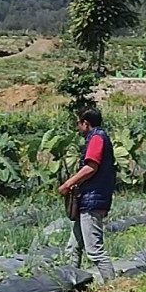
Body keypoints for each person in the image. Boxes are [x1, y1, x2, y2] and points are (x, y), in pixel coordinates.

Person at [57, 108, 116, 281]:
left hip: (92, 199)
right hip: (88, 199)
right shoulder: (96, 137)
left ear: (85, 123)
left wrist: (68, 184)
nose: (77, 127)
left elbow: (91, 167)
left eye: (78, 123)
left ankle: (112, 288)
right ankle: (71, 285)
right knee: (73, 247)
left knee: (94, 250)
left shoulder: (97, 138)